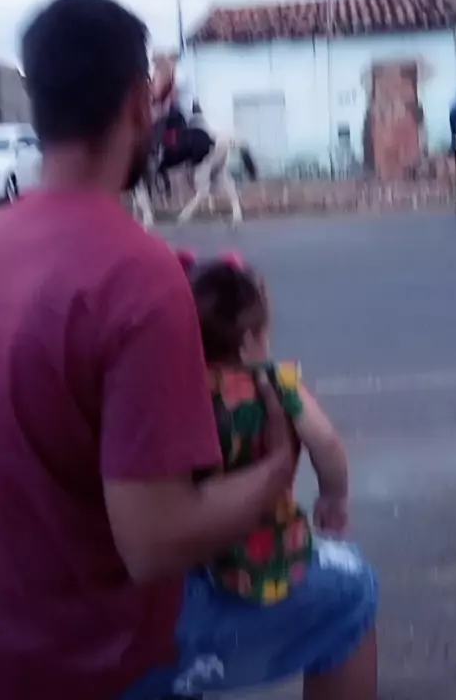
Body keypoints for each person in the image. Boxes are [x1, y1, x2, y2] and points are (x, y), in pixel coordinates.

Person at [0, 0, 299, 700]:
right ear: (140, 104)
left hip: (12, 624)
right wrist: (278, 469)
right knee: (352, 596)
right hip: (98, 654)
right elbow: (156, 542)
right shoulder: (140, 275)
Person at [162, 251, 378, 699]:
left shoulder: (177, 390)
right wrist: (333, 497)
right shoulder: (276, 383)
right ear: (248, 341)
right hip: (269, 560)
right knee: (355, 587)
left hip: (195, 558)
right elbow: (326, 443)